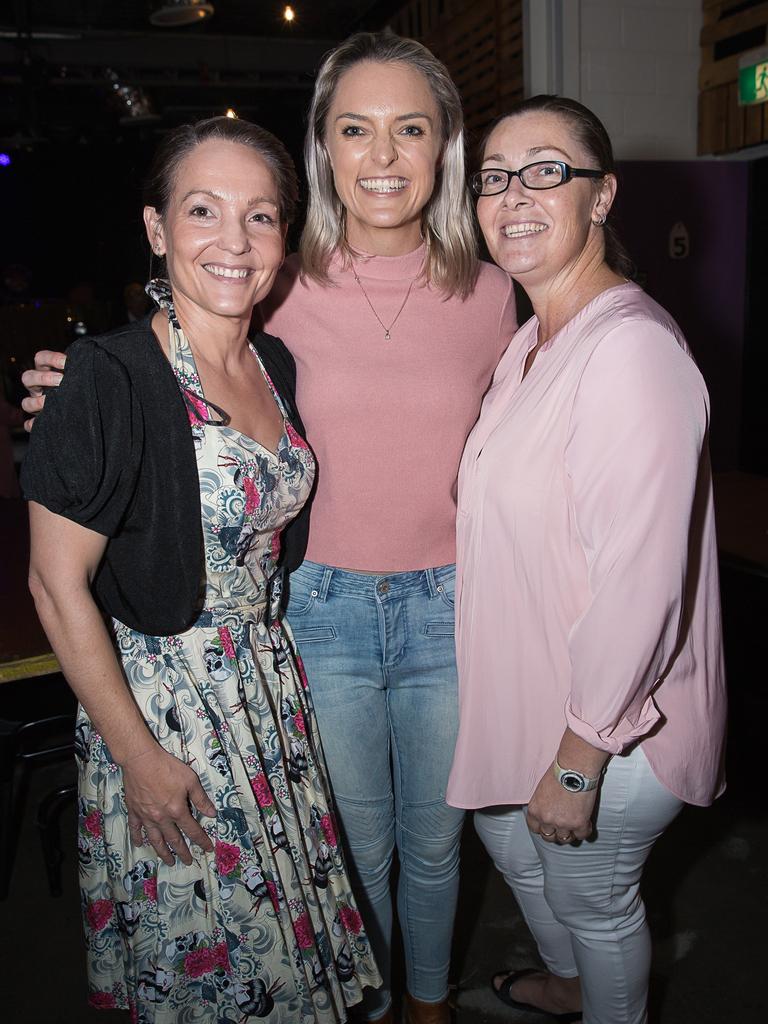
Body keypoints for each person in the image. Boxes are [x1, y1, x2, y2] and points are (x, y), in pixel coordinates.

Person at [22, 30, 517, 1024]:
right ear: (323, 150)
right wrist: (70, 396)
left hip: (414, 616)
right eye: (354, 130)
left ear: (443, 146)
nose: (382, 156)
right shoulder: (276, 287)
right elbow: (147, 406)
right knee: (330, 858)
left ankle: (418, 1006)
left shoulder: (494, 291)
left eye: (409, 128)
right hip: (307, 616)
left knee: (414, 850)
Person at [21, 115, 380, 1022]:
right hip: (164, 706)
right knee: (211, 965)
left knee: (276, 952)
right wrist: (139, 757)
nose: (234, 240)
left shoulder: (276, 363)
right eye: (203, 211)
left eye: (260, 217)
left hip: (266, 689)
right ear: (156, 229)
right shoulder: (105, 374)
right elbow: (54, 586)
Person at [447, 95, 727, 1024]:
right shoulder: (530, 342)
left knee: (593, 898)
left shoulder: (631, 352)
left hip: (615, 723)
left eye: (545, 171)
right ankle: (569, 985)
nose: (512, 195)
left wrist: (579, 762)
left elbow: (642, 584)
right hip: (538, 689)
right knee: (503, 831)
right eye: (493, 176)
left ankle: (597, 993)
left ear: (601, 196)